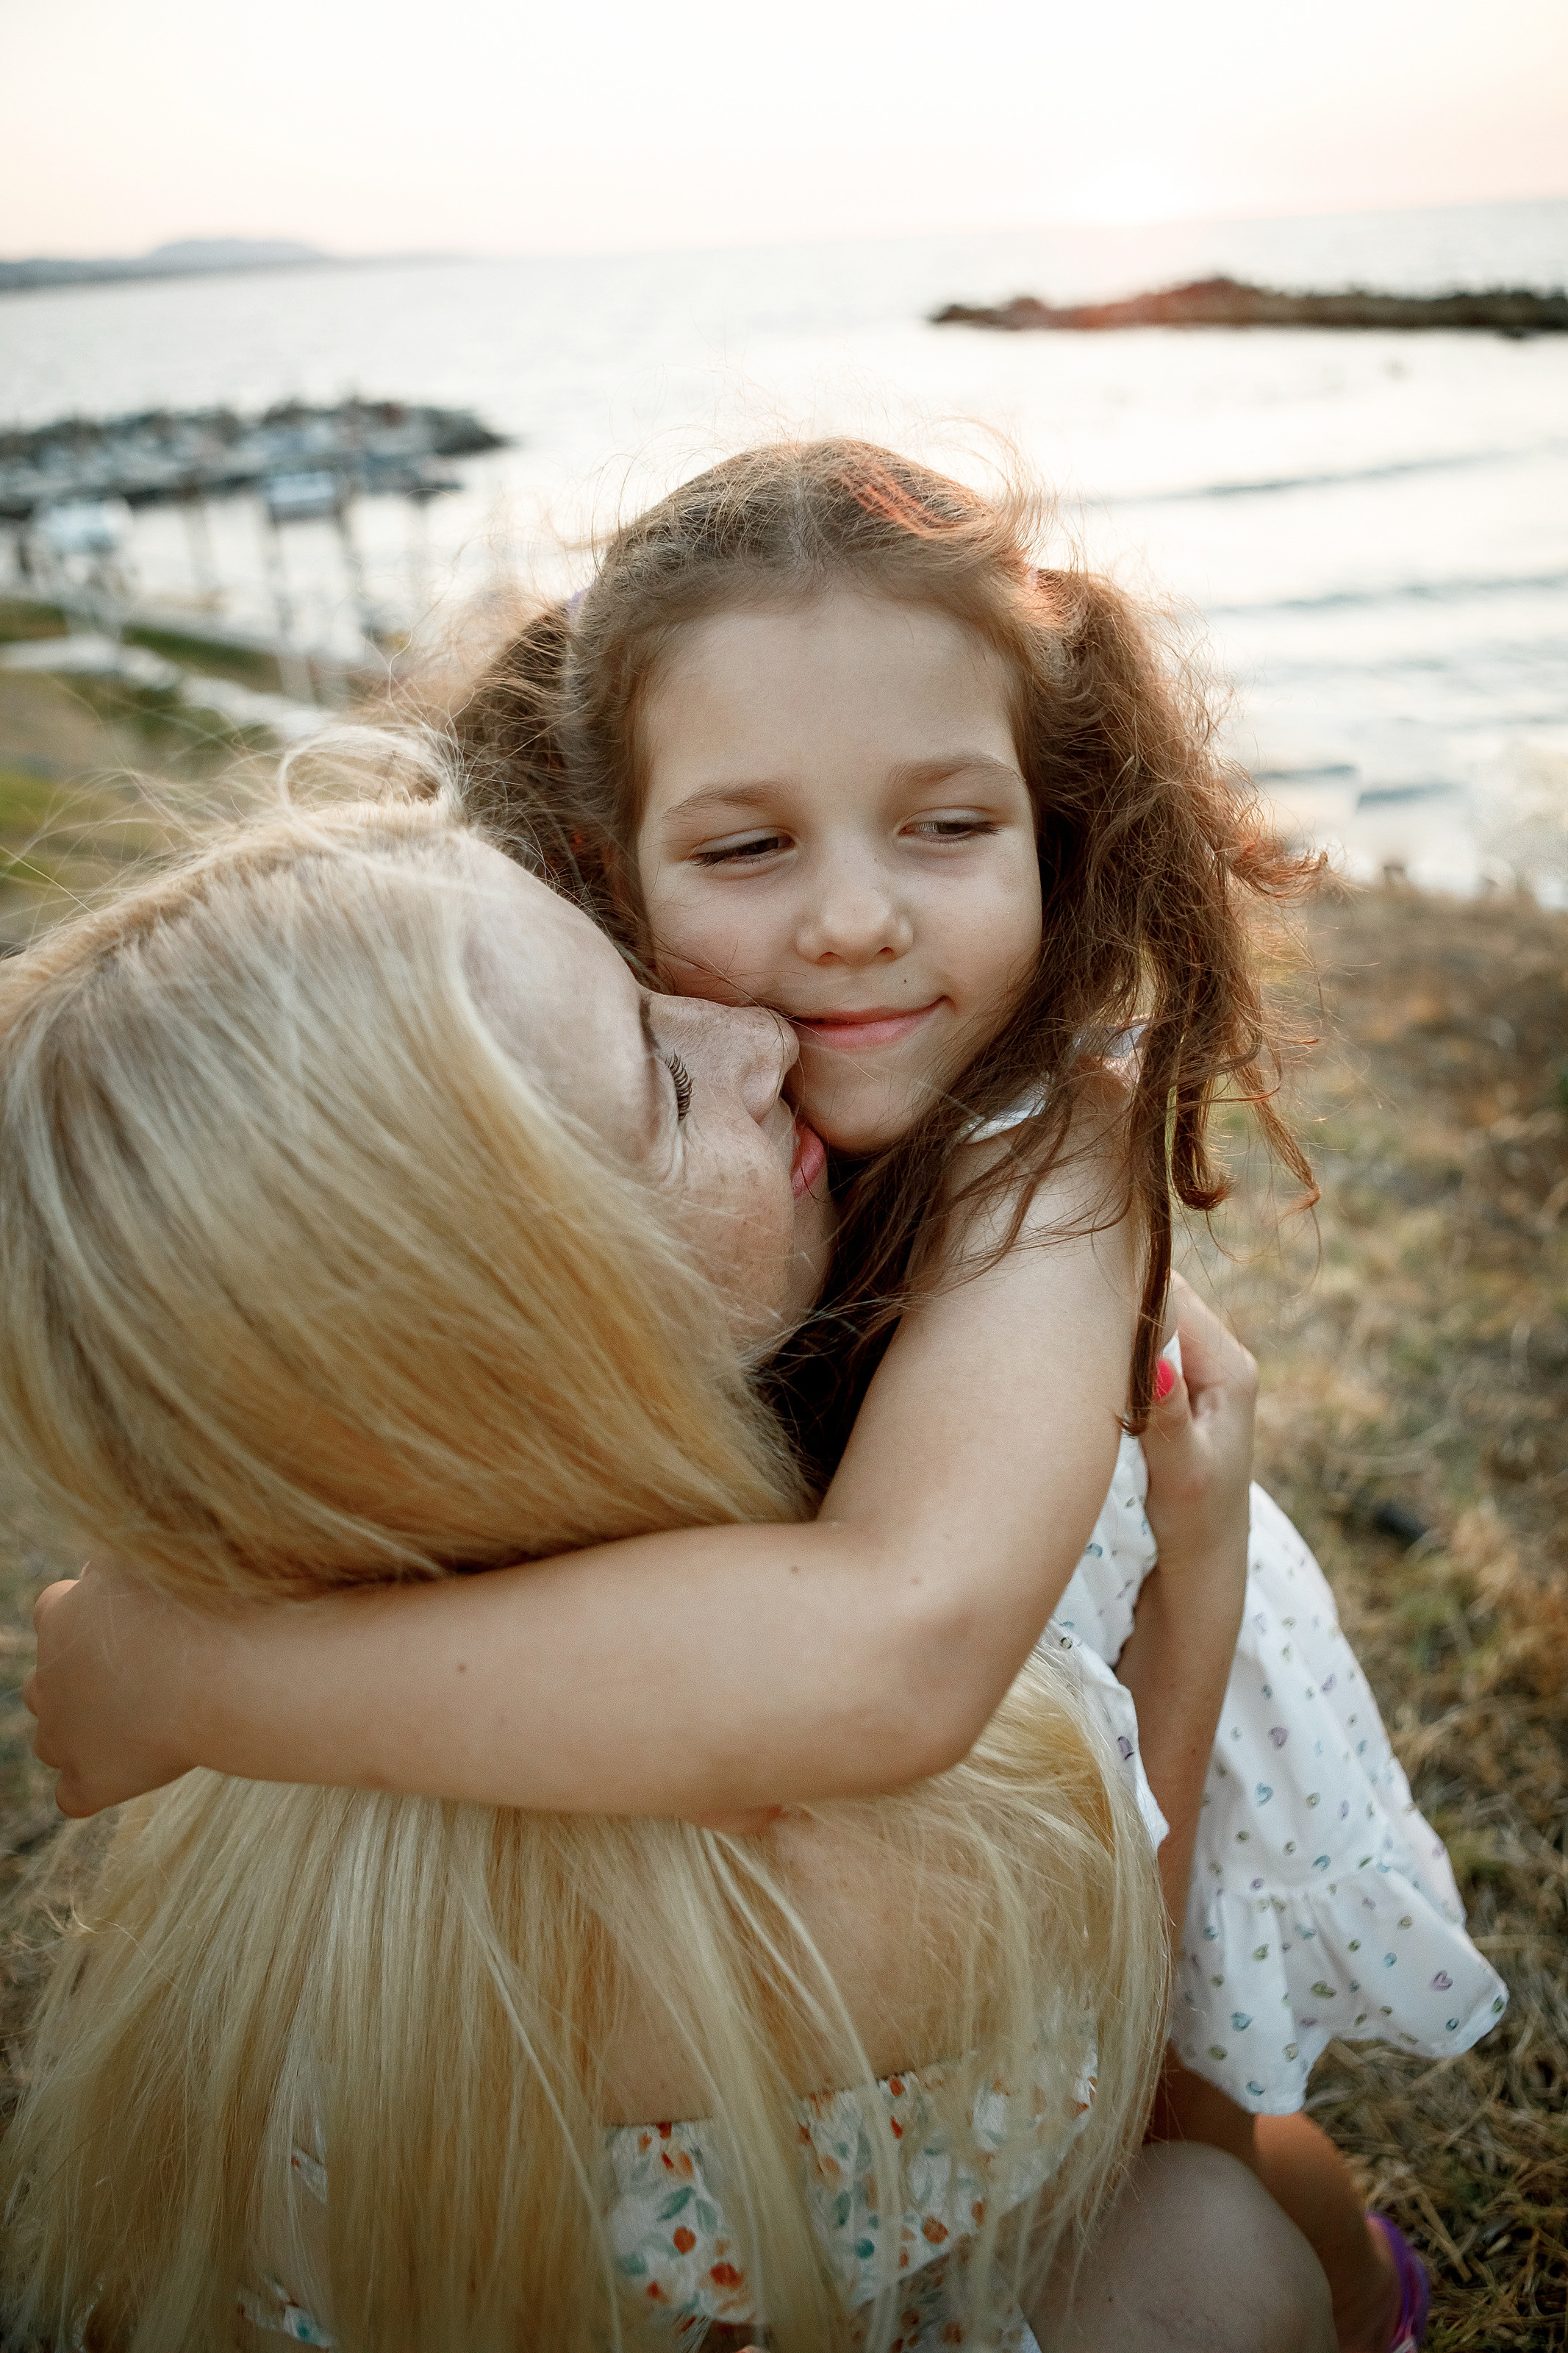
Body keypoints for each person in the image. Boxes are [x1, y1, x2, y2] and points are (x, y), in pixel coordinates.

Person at [25, 441, 1483, 2348]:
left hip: (1025, 1737)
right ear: (603, 864)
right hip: (1042, 1843)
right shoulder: (625, 1729)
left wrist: (207, 1674)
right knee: (1218, 2201)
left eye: (947, 825)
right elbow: (919, 1709)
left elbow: (896, 1635)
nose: (836, 944)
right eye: (741, 853)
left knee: (1233, 2151)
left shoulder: (1026, 1157)